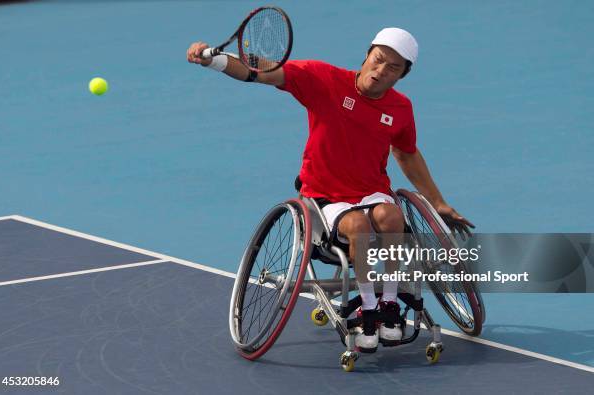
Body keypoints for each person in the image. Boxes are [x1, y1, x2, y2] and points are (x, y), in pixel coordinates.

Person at [187, 27, 474, 353]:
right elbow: (262, 71)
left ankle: (389, 306)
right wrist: (216, 60)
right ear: (367, 55)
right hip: (325, 196)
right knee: (357, 227)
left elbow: (406, 153)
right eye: (378, 60)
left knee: (392, 218)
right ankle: (368, 308)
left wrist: (438, 201)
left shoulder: (400, 108)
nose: (380, 71)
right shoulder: (323, 79)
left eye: (393, 68)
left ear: (403, 75)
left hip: (371, 191)